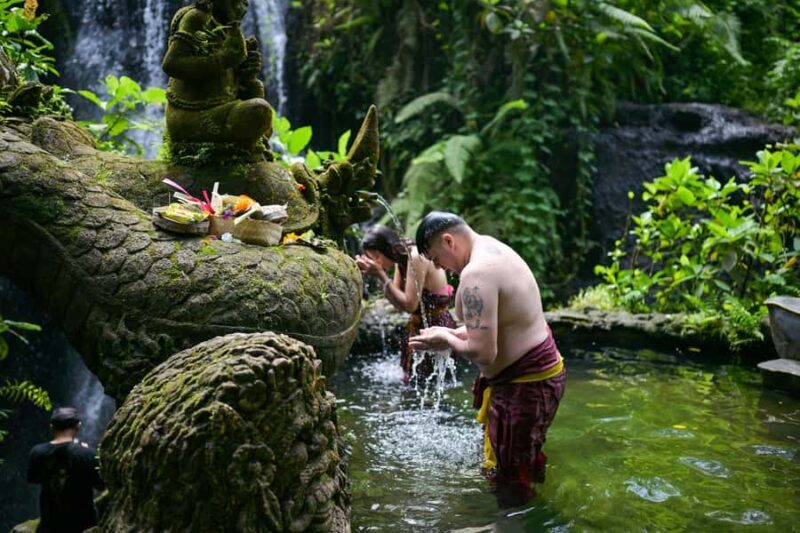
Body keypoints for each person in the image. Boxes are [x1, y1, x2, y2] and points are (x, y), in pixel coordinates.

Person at [408, 211, 566, 506]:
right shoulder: (491, 247)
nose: (438, 267)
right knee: (516, 464)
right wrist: (452, 333)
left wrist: (445, 338)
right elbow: (492, 327)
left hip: (526, 385)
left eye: (436, 258)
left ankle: (511, 524)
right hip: (535, 377)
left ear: (448, 240)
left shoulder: (477, 274)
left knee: (510, 479)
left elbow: (483, 351)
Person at [355, 224, 456, 383]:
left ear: (387, 248)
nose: (377, 262)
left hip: (437, 324)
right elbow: (398, 302)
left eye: (377, 257)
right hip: (418, 327)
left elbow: (410, 305)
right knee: (412, 383)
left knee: (431, 385)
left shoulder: (416, 257)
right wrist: (378, 275)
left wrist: (381, 275)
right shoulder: (401, 260)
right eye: (373, 259)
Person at [27, 407, 104, 533]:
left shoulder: (37, 452)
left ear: (51, 427)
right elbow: (100, 485)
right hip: (84, 525)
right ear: (78, 426)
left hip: (50, 525)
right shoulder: (87, 453)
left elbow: (34, 479)